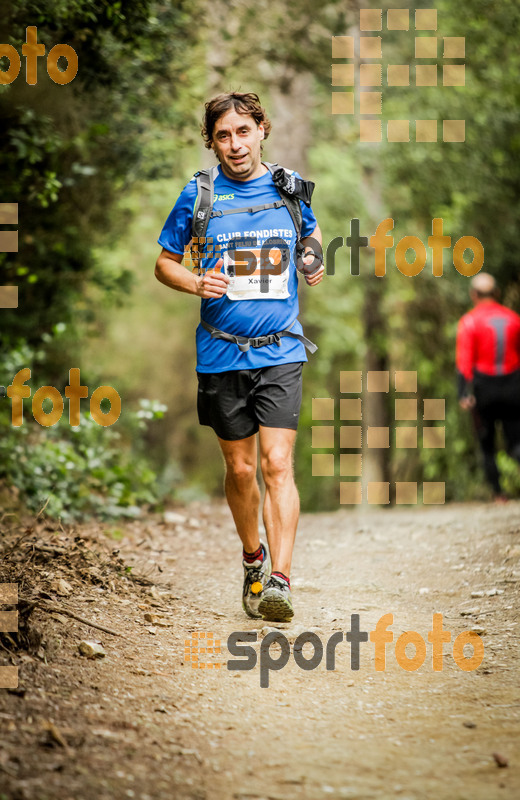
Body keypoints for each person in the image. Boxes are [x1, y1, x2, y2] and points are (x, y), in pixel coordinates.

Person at [155, 92, 323, 622]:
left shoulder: (287, 188)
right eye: (223, 135)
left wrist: (313, 257)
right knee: (241, 468)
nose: (235, 144)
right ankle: (253, 559)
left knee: (277, 463)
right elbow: (164, 263)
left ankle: (281, 580)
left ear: (261, 130)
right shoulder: (198, 196)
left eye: (243, 131)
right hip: (221, 354)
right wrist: (195, 280)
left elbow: (312, 236)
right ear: (213, 141)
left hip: (281, 348)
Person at [456, 272, 520, 500]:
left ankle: (499, 495)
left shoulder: (469, 322)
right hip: (512, 386)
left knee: (486, 444)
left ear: (474, 295)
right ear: (497, 294)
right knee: (517, 440)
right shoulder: (515, 320)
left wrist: (462, 392)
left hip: (484, 389)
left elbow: (464, 362)